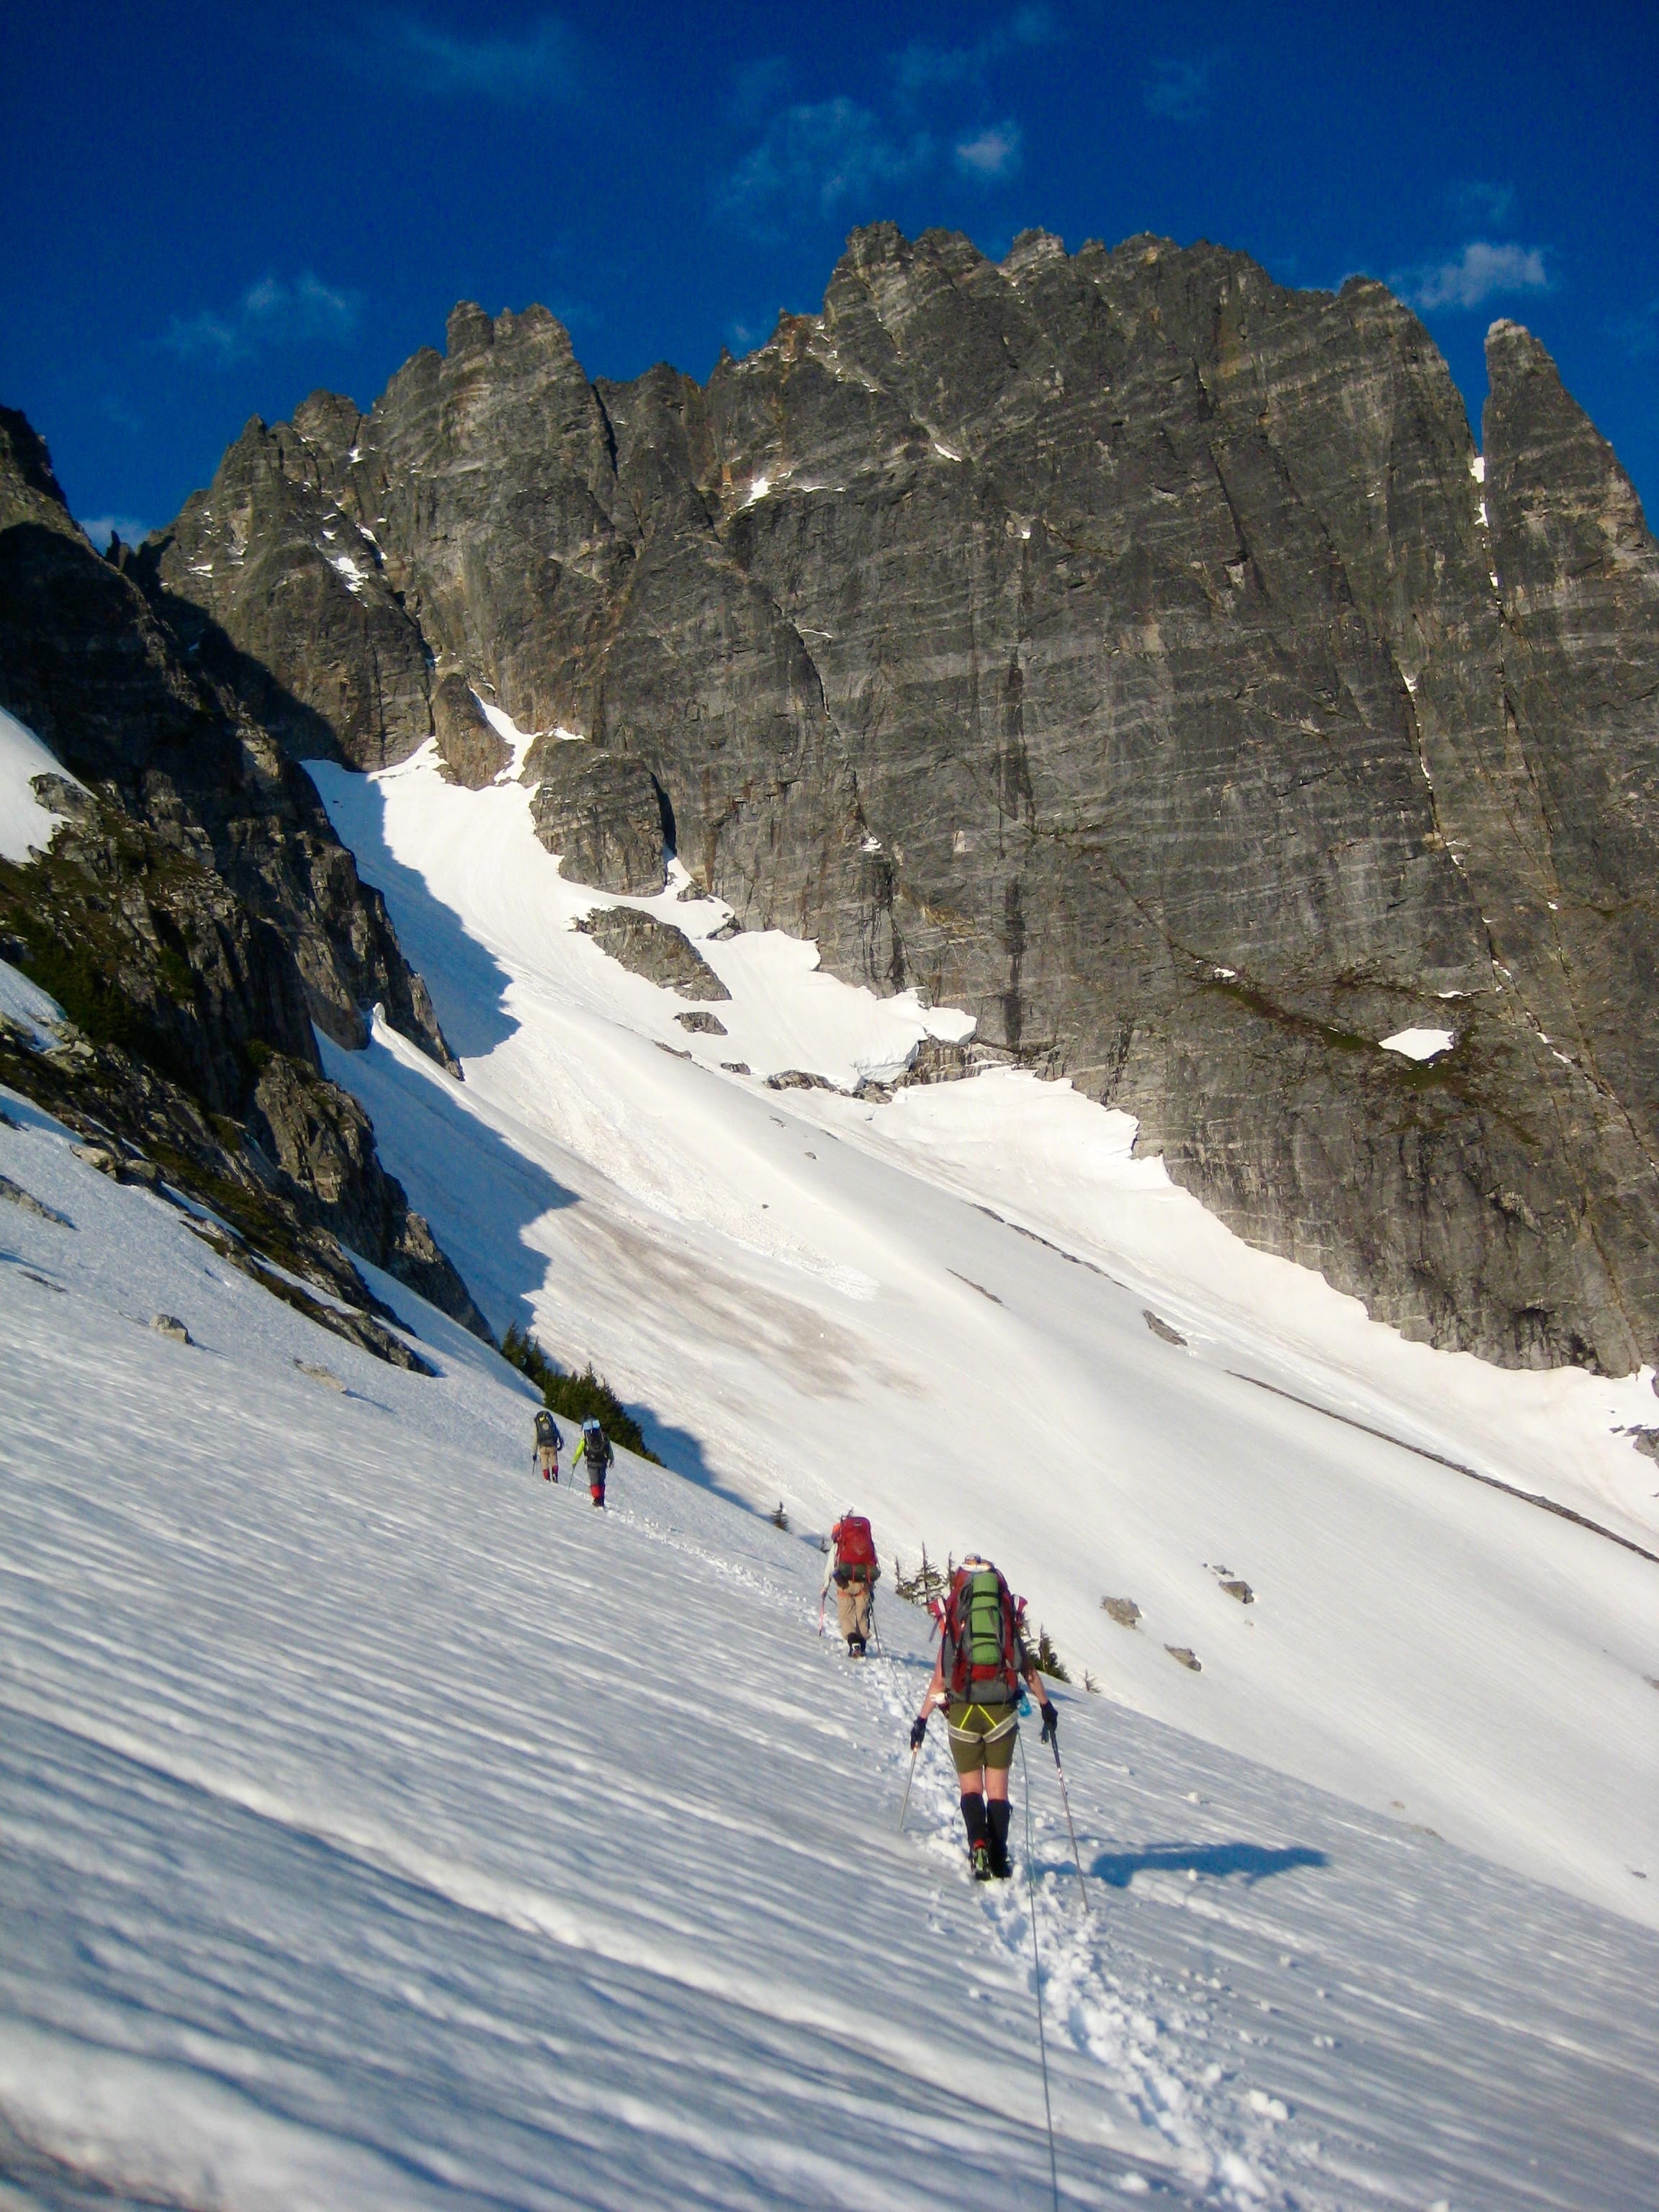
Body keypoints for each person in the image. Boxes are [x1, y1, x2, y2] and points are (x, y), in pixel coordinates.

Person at [909, 1555, 1057, 1881]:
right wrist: (1046, 1707)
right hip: (1001, 1713)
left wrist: (921, 1721)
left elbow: (939, 1679)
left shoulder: (958, 1618)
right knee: (998, 1791)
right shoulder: (1001, 1618)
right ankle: (999, 1855)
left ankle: (977, 1843)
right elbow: (1026, 1669)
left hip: (962, 1713)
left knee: (971, 1789)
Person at [823, 1509, 880, 1656]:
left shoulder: (838, 1547)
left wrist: (825, 1586)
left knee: (846, 1616)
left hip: (844, 1583)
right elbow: (874, 1563)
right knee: (862, 1616)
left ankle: (854, 1644)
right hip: (863, 1584)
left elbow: (830, 1567)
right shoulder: (867, 1544)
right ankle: (862, 1645)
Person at [572, 1417, 612, 1509]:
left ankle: (597, 1499)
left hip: (591, 1462)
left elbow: (579, 1451)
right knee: (601, 1481)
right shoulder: (603, 1436)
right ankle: (601, 1499)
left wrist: (575, 1461)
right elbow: (609, 1449)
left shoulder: (586, 1438)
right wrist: (611, 1459)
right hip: (602, 1462)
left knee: (594, 1481)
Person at [532, 1406, 564, 1483]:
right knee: (554, 1461)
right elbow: (557, 1433)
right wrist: (561, 1443)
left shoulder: (538, 1426)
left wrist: (534, 1453)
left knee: (544, 1463)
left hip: (543, 1446)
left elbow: (536, 1439)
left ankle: (547, 1479)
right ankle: (555, 1475)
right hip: (552, 1444)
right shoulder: (551, 1423)